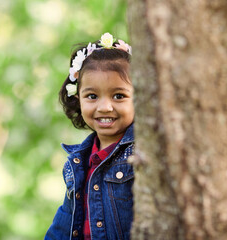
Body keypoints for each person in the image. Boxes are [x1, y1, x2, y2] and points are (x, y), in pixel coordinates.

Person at [45, 32, 135, 240]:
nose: (105, 107)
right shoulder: (78, 161)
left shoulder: (141, 153)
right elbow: (65, 222)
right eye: (92, 96)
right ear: (78, 99)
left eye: (119, 96)